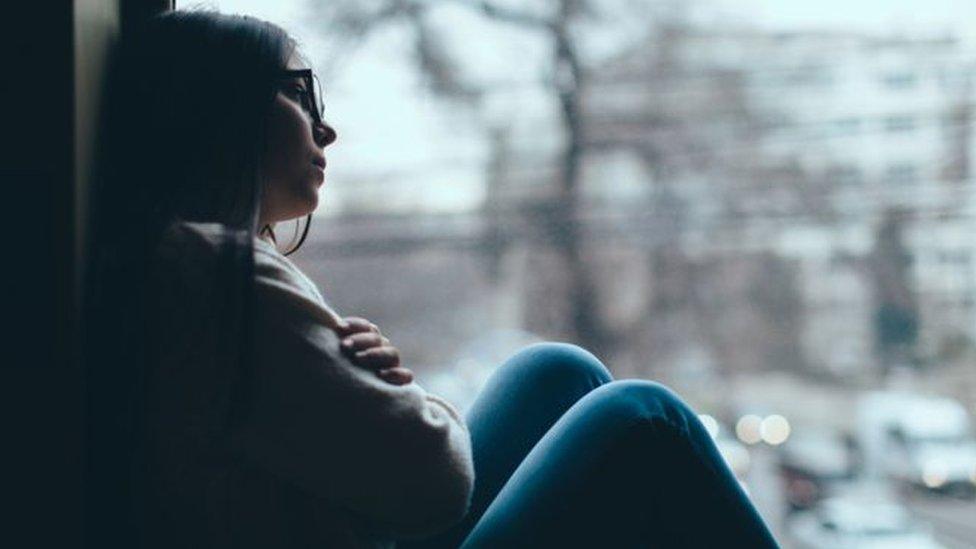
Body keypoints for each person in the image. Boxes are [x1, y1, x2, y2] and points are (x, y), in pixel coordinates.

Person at [82, 8, 779, 549]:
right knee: (645, 418)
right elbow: (433, 487)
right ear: (219, 109)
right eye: (299, 95)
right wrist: (398, 392)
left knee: (554, 369)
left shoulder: (171, 265)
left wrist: (369, 401)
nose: (326, 133)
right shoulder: (221, 276)